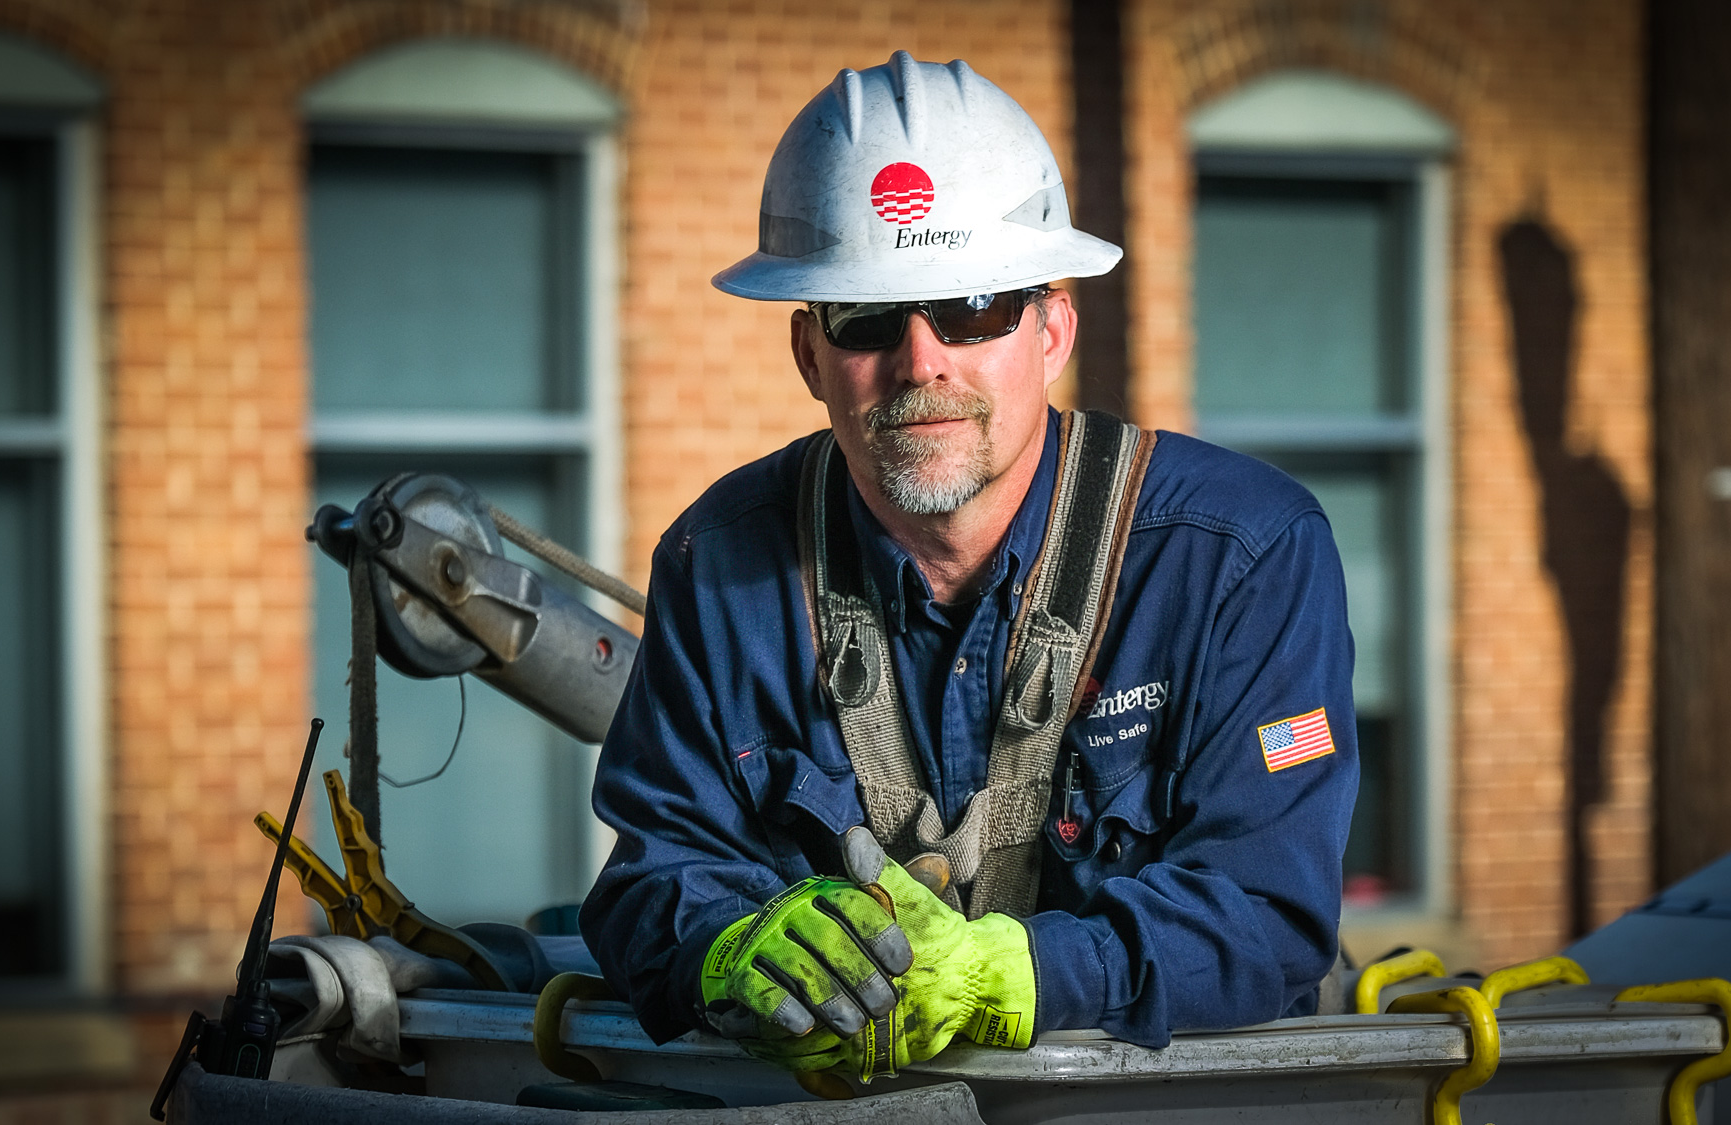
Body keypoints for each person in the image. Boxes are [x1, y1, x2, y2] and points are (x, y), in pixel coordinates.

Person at [580, 51, 1358, 1080]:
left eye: (974, 307)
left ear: (1051, 330)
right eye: (866, 319)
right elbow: (648, 880)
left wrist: (1022, 973)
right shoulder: (719, 562)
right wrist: (727, 943)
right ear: (808, 354)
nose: (922, 362)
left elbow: (1266, 911)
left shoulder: (1238, 558)